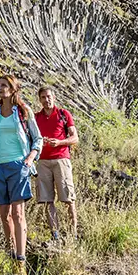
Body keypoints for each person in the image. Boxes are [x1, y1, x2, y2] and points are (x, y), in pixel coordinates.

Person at [0, 75, 43, 275]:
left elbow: (37, 139)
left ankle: (21, 262)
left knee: (18, 213)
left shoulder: (24, 112)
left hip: (18, 166)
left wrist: (30, 158)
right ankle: (11, 256)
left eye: (3, 85)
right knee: (3, 214)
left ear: (13, 88)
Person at [34, 86, 79, 242]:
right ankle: (56, 236)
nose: (47, 100)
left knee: (68, 198)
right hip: (42, 162)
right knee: (47, 200)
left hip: (61, 159)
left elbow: (74, 138)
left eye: (49, 96)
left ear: (54, 97)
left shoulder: (63, 114)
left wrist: (60, 142)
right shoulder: (36, 117)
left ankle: (73, 235)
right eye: (43, 97)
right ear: (39, 100)